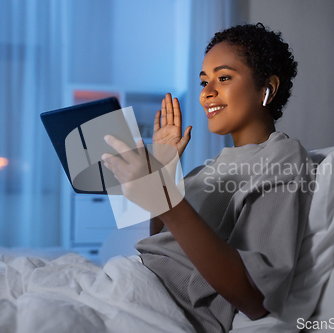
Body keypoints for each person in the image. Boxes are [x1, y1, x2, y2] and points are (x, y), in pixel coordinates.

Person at [102, 23, 315, 333]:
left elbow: (256, 298)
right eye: (204, 81)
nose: (206, 93)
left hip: (157, 308)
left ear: (267, 87)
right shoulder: (206, 168)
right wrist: (166, 168)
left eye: (224, 78)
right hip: (128, 283)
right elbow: (162, 241)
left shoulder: (282, 157)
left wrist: (167, 198)